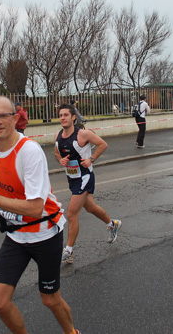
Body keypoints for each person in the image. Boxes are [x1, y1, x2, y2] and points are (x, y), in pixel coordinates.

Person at [0, 96, 79, 334]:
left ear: (15, 118)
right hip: (17, 236)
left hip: (45, 234)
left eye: (4, 116)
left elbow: (34, 208)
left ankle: (72, 332)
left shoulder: (29, 151)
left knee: (50, 299)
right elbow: (6, 190)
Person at [54, 104, 121, 264]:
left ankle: (69, 251)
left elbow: (103, 144)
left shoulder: (83, 134)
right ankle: (113, 224)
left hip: (85, 178)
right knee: (90, 207)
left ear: (73, 117)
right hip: (72, 178)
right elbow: (56, 153)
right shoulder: (58, 135)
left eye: (66, 115)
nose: (63, 118)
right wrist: (60, 160)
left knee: (71, 214)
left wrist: (91, 159)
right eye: (61, 115)